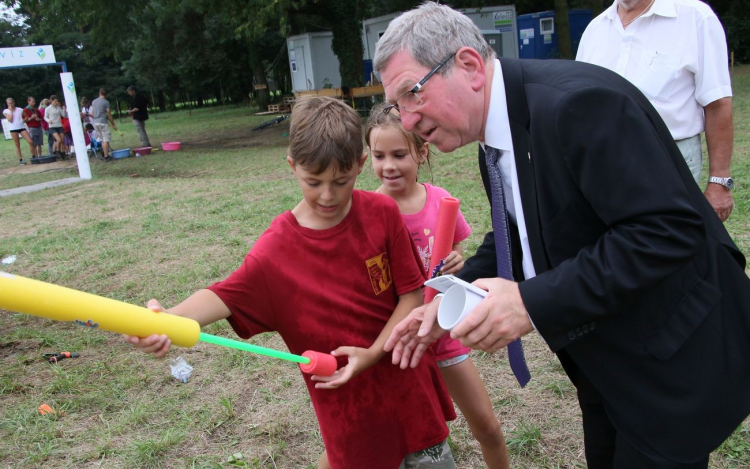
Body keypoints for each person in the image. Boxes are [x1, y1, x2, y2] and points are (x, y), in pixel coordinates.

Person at [376, 3, 750, 469]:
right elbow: (521, 227)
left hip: (671, 359)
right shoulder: (497, 125)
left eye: (413, 94)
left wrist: (529, 302)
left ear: (469, 66)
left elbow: (667, 231)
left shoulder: (577, 105)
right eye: (397, 106)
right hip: (607, 361)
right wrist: (448, 297)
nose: (407, 120)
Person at [125, 96, 457, 469]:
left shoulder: (382, 213)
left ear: (360, 165)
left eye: (341, 181)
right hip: (350, 411)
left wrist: (371, 354)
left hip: (410, 390)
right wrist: (166, 320)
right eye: (313, 182)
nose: (327, 195)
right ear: (292, 166)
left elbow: (411, 295)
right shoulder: (277, 249)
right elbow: (225, 294)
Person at [364, 103, 509, 469]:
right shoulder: (368, 210)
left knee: (488, 427)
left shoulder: (440, 200)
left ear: (422, 151)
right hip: (399, 340)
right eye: (378, 156)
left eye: (399, 154)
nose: (388, 166)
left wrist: (458, 261)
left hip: (443, 331)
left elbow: (454, 250)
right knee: (377, 436)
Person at [576, 0, 734, 222]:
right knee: (616, 246)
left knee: (666, 242)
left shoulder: (694, 17)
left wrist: (719, 182)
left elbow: (717, 103)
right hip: (604, 162)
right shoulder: (595, 29)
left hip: (668, 159)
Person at [3, 98, 35, 165]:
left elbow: (26, 117)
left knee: (30, 141)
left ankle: (33, 156)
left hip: (21, 127)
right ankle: (21, 160)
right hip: (13, 129)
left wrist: (23, 121)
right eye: (9, 103)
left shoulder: (20, 109)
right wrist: (11, 111)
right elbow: (10, 120)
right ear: (7, 104)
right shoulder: (6, 111)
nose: (10, 104)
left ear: (14, 103)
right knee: (17, 144)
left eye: (11, 103)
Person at [90, 88, 119, 160]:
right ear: (106, 94)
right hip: (102, 122)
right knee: (106, 139)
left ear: (99, 93)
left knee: (102, 139)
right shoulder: (106, 102)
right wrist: (113, 124)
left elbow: (92, 113)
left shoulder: (94, 102)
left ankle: (104, 154)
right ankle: (106, 156)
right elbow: (109, 114)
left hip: (95, 122)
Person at [44, 95, 68, 159]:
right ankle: (57, 151)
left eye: (57, 101)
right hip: (52, 126)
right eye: (55, 101)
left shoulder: (58, 108)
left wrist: (64, 110)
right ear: (51, 101)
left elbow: (64, 115)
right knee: (58, 140)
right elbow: (45, 117)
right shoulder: (48, 108)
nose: (56, 102)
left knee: (62, 140)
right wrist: (48, 120)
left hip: (59, 125)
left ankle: (62, 152)